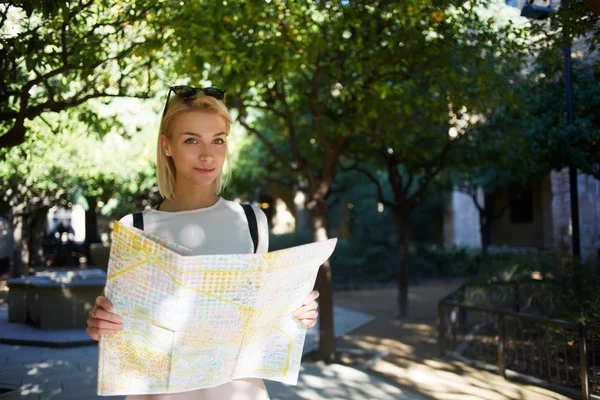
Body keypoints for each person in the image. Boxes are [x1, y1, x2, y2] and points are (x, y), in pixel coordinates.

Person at [86, 86, 320, 400]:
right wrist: (101, 324)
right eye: (191, 140)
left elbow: (259, 320)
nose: (208, 155)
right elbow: (124, 330)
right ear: (166, 145)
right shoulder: (135, 228)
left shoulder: (252, 221)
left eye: (218, 140)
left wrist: (295, 312)